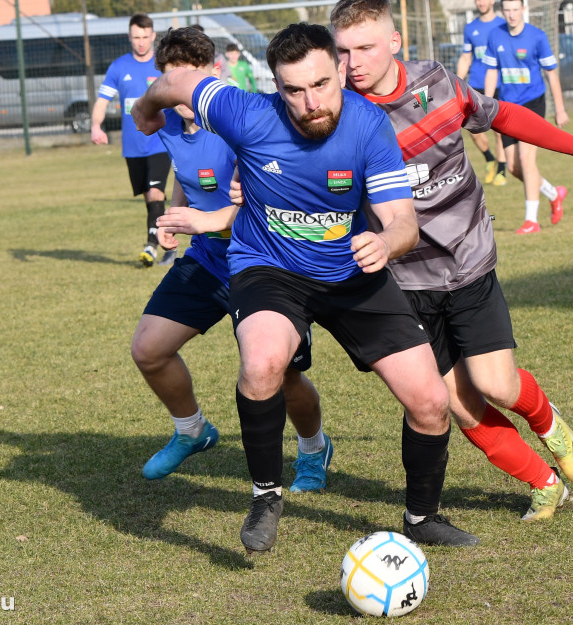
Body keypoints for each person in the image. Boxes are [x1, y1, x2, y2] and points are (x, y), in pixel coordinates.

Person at [133, 23, 479, 552]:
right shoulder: (247, 111)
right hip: (268, 267)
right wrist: (145, 111)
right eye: (294, 90)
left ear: (340, 70)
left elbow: (403, 222)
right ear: (276, 86)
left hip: (352, 273)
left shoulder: (368, 127)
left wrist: (387, 244)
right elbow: (177, 83)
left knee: (431, 400)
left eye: (320, 85)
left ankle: (422, 517)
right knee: (262, 363)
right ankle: (267, 495)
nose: (310, 102)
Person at [329, 0, 573, 519]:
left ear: (395, 43)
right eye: (342, 51)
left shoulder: (439, 84)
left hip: (468, 259)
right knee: (459, 404)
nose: (353, 62)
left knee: (496, 385)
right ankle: (543, 482)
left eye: (365, 48)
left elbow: (506, 115)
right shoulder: (338, 114)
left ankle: (550, 426)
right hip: (402, 279)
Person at [131, 27, 331, 495]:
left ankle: (313, 447)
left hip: (264, 261)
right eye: (169, 78)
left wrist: (207, 220)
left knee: (283, 376)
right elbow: (190, 180)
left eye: (189, 78)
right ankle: (192, 430)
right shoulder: (171, 128)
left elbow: (266, 198)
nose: (178, 89)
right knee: (149, 350)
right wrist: (174, 220)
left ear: (213, 75)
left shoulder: (246, 120)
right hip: (207, 259)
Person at [90, 13, 173, 267]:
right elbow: (102, 101)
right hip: (133, 148)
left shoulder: (162, 65)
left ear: (153, 36)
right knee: (149, 197)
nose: (140, 42)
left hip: (160, 142)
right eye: (136, 37)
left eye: (145, 37)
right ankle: (162, 239)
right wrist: (96, 125)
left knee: (156, 192)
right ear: (129, 36)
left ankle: (152, 246)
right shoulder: (118, 67)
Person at [483, 0, 570, 234]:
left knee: (527, 158)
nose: (511, 15)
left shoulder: (538, 37)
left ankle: (531, 220)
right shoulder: (495, 36)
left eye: (515, 10)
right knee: (512, 166)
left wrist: (560, 109)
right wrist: (486, 106)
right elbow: (491, 71)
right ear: (502, 11)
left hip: (533, 104)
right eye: (507, 10)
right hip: (507, 107)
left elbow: (552, 75)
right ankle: (554, 193)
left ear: (524, 9)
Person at [456, 0, 507, 186]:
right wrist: (456, 82)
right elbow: (466, 57)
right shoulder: (470, 28)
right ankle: (489, 158)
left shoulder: (503, 25)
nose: (481, 2)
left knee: (499, 130)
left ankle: (502, 169)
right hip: (476, 84)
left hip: (499, 84)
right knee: (472, 127)